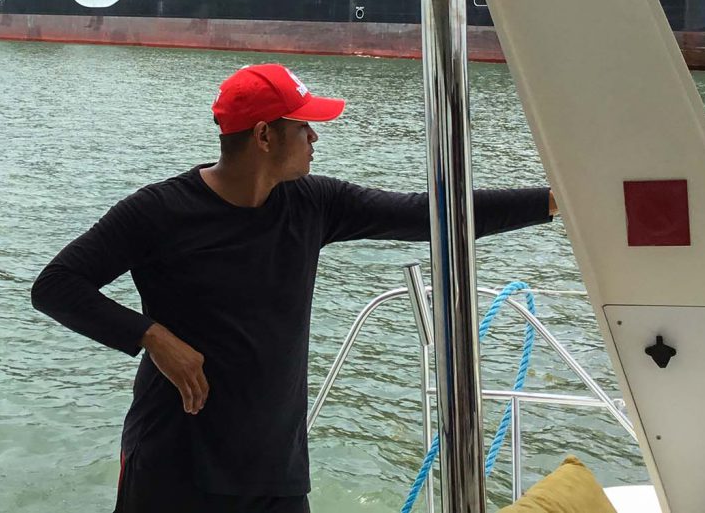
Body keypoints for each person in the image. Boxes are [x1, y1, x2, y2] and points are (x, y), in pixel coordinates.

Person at [31, 63, 557, 513]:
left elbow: (426, 214)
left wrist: (556, 202)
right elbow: (56, 285)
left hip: (274, 472)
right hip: (173, 462)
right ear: (263, 136)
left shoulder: (313, 203)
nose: (315, 138)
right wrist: (152, 337)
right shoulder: (159, 211)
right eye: (304, 126)